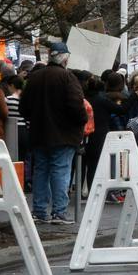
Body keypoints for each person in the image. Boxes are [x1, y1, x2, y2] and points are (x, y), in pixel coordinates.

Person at [21, 52, 88, 224]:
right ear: (65, 60)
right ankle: (59, 212)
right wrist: (81, 121)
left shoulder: (34, 78)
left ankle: (39, 211)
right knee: (60, 170)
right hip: (63, 135)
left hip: (39, 133)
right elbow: (76, 106)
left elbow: (24, 108)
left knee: (41, 170)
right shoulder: (68, 77)